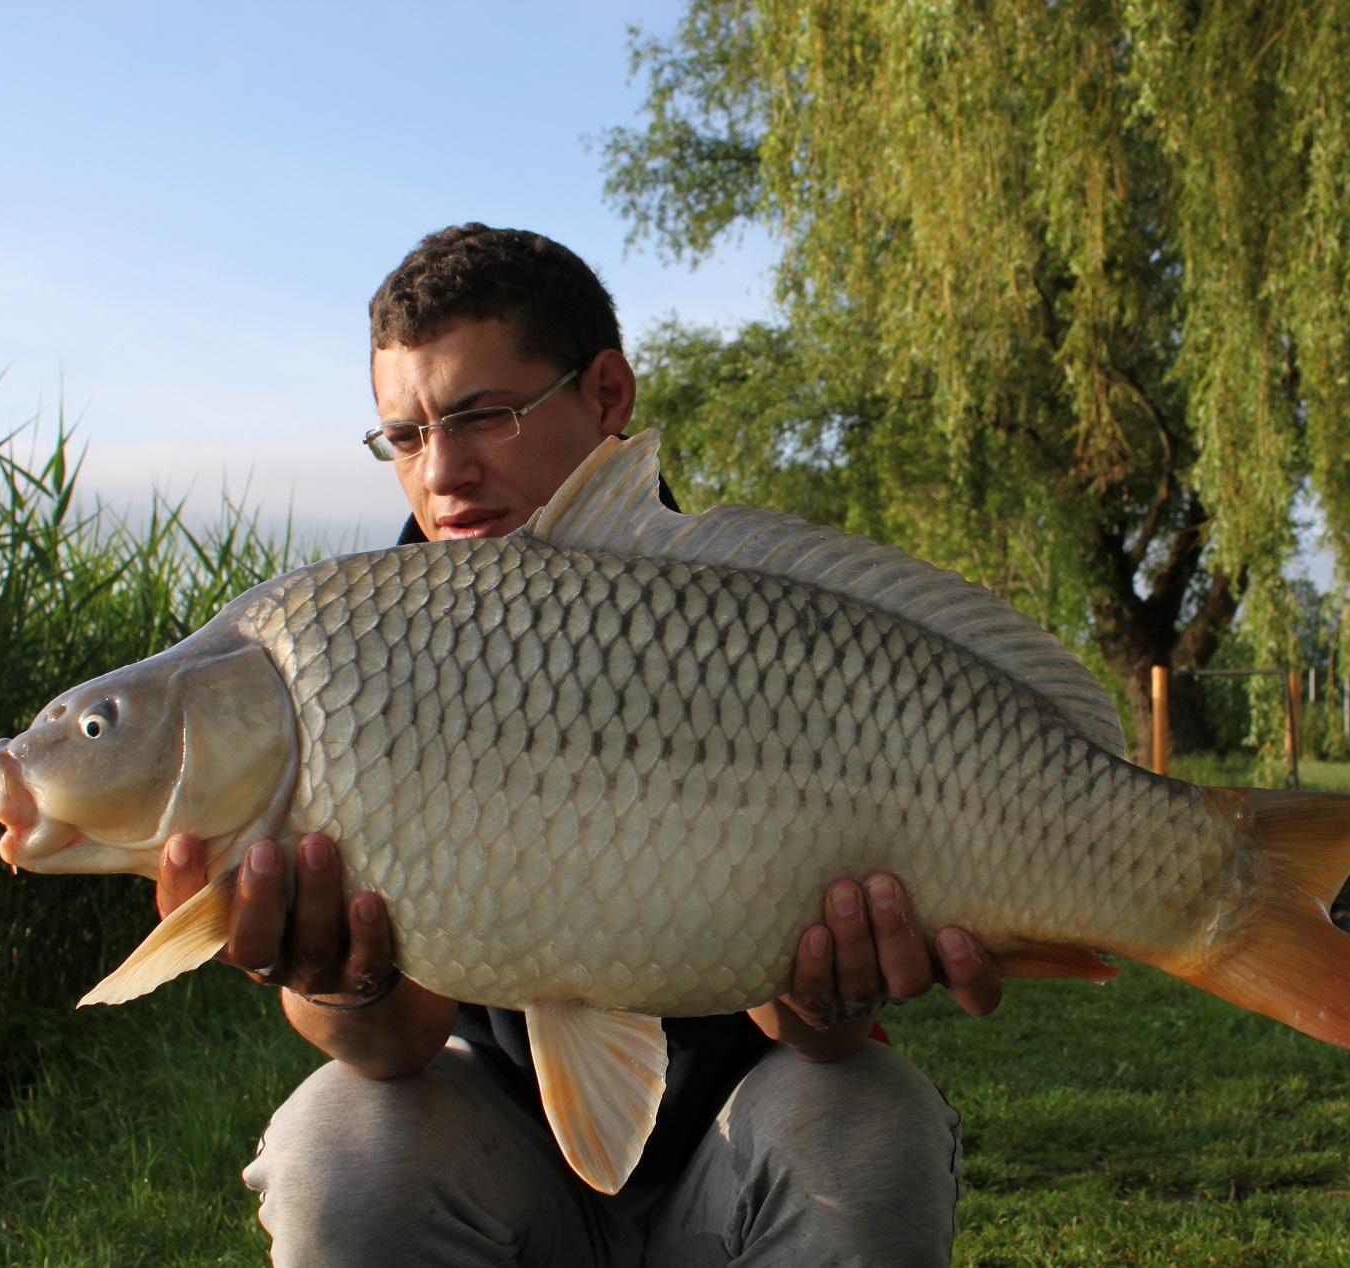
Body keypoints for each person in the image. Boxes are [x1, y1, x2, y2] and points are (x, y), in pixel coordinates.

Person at [156, 224, 1007, 1266]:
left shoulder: (745, 620)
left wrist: (832, 984)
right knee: (338, 1139)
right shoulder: (357, 662)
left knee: (865, 1115)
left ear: (606, 393)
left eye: (483, 415)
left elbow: (816, 1035)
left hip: (738, 1141)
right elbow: (396, 1046)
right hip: (501, 1158)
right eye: (406, 437)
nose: (444, 473)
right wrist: (338, 977)